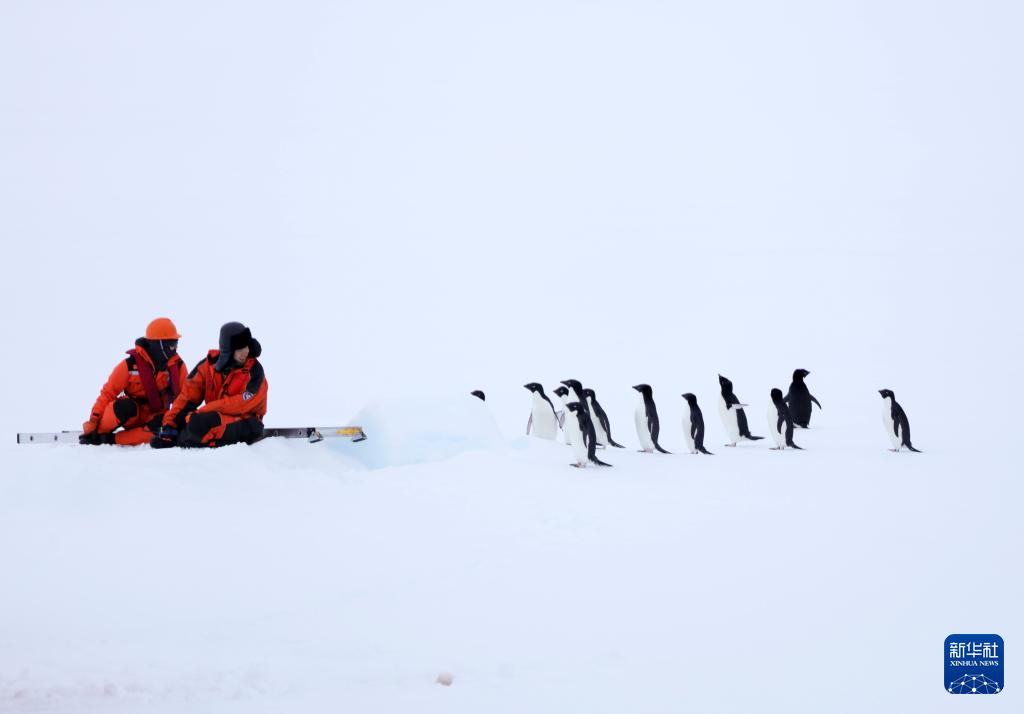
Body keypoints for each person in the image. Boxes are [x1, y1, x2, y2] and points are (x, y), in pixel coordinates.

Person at [152, 322, 268, 448]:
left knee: (199, 423)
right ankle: (175, 436)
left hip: (247, 421)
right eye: (240, 349)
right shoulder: (209, 365)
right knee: (188, 420)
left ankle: (181, 439)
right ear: (228, 349)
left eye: (246, 346)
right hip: (216, 417)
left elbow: (239, 404)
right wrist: (169, 424)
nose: (245, 352)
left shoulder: (255, 372)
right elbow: (187, 397)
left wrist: (201, 412)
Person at [80, 318, 187, 445]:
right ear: (158, 345)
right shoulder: (129, 365)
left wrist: (184, 422)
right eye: (172, 344)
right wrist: (94, 420)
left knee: (164, 425)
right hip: (132, 415)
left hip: (155, 419)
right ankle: (97, 432)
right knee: (123, 407)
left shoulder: (178, 367)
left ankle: (110, 439)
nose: (175, 348)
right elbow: (108, 393)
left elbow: (186, 398)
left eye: (176, 344)